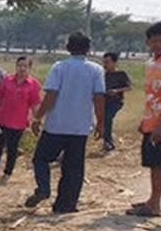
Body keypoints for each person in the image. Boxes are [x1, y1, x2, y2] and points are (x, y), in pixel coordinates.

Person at [25, 32, 105, 213]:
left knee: (41, 159)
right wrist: (101, 122)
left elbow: (51, 95)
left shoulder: (60, 67)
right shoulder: (96, 70)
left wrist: (38, 117)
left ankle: (44, 188)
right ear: (88, 49)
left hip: (57, 124)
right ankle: (66, 205)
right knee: (74, 167)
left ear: (68, 48)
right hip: (80, 127)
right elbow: (99, 97)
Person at [127, 22, 161, 218]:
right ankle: (153, 199)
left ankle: (154, 205)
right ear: (147, 42)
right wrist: (145, 121)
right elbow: (152, 95)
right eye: (154, 41)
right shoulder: (151, 64)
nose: (157, 44)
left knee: (158, 163)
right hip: (152, 119)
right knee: (153, 163)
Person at [0, 57, 41, 178]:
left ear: (29, 68)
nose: (22, 68)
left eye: (25, 66)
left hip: (19, 122)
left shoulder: (33, 85)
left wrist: (38, 119)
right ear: (16, 66)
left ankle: (8, 171)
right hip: (3, 119)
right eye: (20, 65)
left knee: (12, 148)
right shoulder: (8, 80)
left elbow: (35, 104)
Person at [101, 52, 132, 151]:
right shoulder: (103, 75)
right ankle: (107, 139)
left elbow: (129, 87)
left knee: (108, 117)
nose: (105, 65)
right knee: (104, 120)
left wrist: (116, 91)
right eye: (104, 62)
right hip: (104, 101)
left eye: (107, 62)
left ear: (115, 63)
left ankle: (108, 142)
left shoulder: (121, 74)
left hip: (116, 102)